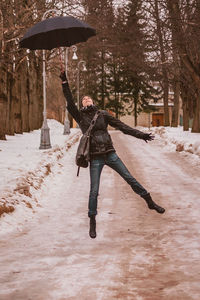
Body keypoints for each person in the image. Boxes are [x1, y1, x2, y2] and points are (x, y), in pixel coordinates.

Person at [60, 71, 165, 239]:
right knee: (94, 190)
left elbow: (122, 126)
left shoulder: (102, 114)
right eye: (83, 99)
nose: (86, 99)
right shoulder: (80, 116)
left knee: (130, 178)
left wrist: (141, 135)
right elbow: (70, 101)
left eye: (88, 98)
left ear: (93, 101)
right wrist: (64, 82)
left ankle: (150, 202)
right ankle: (92, 221)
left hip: (110, 154)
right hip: (94, 157)